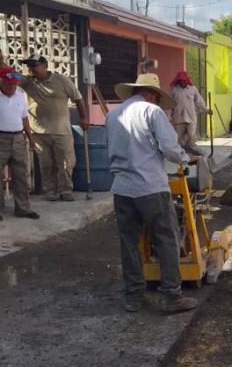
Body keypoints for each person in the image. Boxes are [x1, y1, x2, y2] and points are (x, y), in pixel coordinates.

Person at [106, 73, 197, 314]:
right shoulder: (152, 112)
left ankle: (133, 296)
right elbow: (169, 147)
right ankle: (171, 296)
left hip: (122, 188)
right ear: (153, 94)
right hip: (149, 186)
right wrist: (186, 158)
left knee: (129, 242)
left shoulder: (113, 114)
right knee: (166, 238)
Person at [20, 54, 89, 202]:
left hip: (61, 131)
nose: (31, 69)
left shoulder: (62, 80)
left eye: (34, 65)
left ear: (45, 65)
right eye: (29, 66)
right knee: (46, 164)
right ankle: (51, 190)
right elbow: (9, 75)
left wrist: (84, 118)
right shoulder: (28, 82)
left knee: (66, 162)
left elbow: (78, 99)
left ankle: (66, 190)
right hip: (38, 131)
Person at [0, 67, 39, 220]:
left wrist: (30, 138)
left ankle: (22, 208)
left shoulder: (20, 95)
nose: (12, 88)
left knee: (21, 174)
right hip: (0, 137)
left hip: (17, 138)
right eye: (9, 84)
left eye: (14, 84)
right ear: (1, 82)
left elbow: (24, 118)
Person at [170, 70, 211, 153]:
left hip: (191, 117)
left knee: (191, 136)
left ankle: (191, 151)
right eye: (180, 81)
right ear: (178, 81)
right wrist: (168, 117)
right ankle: (181, 154)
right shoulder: (174, 90)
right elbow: (169, 104)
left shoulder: (193, 89)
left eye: (184, 81)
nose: (182, 83)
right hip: (179, 118)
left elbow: (199, 101)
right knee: (179, 139)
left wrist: (206, 110)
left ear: (187, 80)